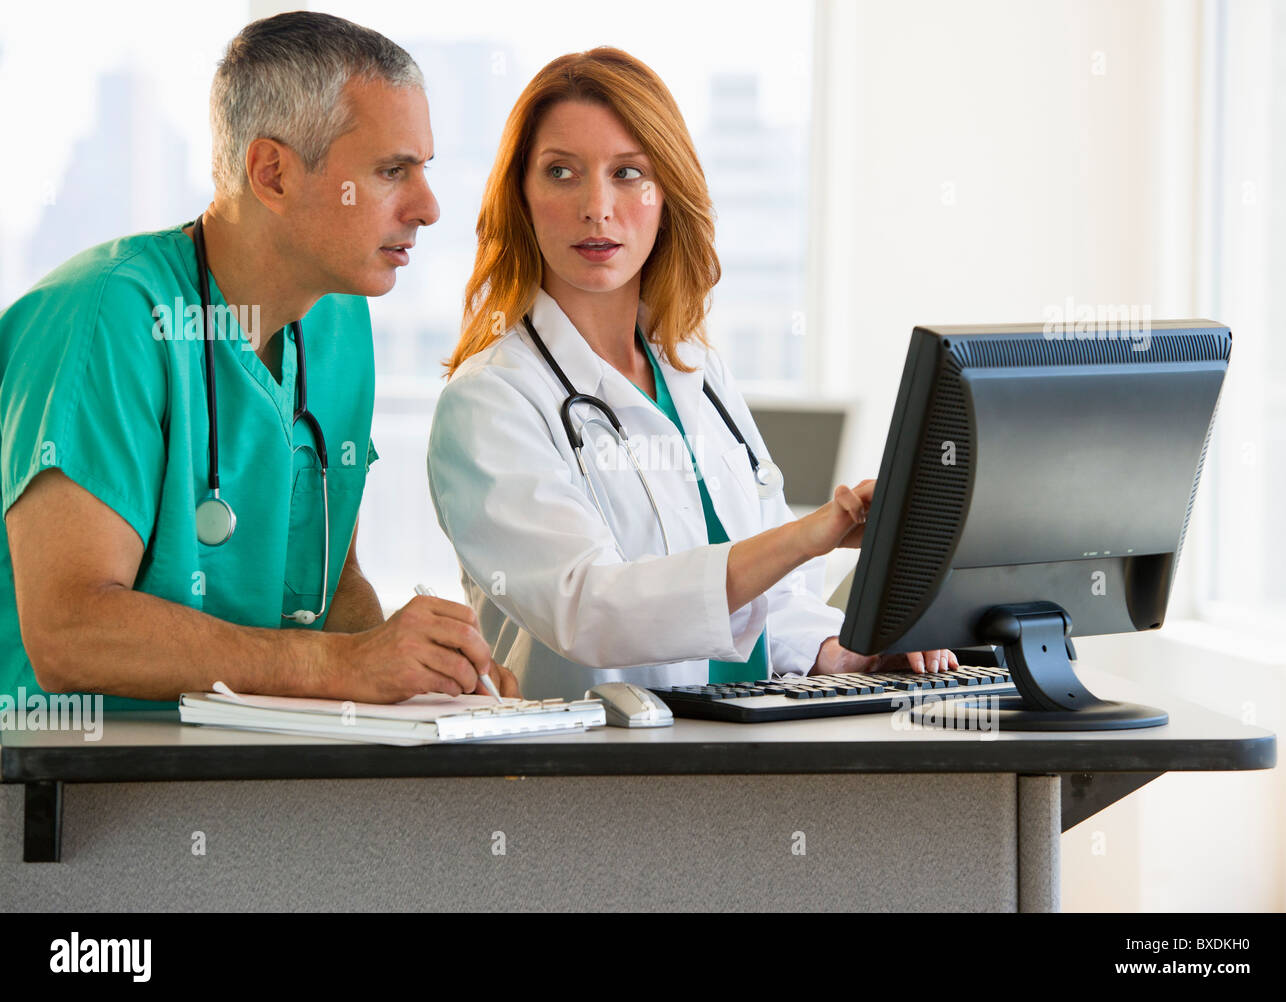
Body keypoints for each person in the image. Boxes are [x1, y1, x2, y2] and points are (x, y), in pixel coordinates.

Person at [0, 11, 516, 710]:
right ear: (271, 172)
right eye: (391, 171)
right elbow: (71, 632)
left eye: (422, 169)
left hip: (244, 780)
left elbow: (330, 590)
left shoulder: (337, 320)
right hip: (67, 786)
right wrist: (338, 667)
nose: (427, 207)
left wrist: (431, 675)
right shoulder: (107, 318)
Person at [427, 47, 958, 700]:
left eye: (627, 173)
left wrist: (836, 651)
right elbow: (590, 609)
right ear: (522, 197)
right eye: (561, 172)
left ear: (665, 194)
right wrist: (804, 537)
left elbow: (770, 597)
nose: (597, 206)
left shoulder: (696, 372)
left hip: (736, 753)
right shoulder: (489, 402)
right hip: (580, 773)